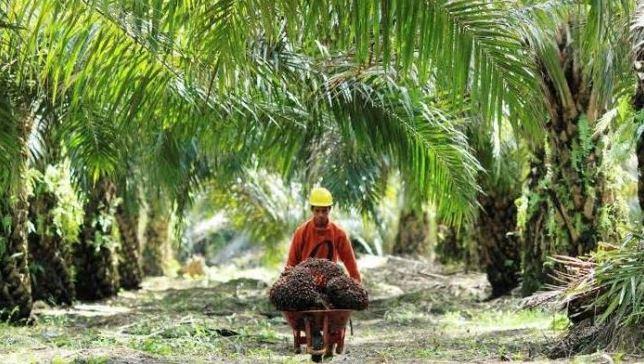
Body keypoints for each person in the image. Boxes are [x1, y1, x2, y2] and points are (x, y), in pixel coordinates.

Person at [286, 187, 361, 283]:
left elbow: (350, 261)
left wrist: (357, 283)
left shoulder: (338, 233)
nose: (321, 215)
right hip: (305, 283)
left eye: (324, 211)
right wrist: (287, 281)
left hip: (330, 282)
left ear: (329, 209)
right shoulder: (301, 232)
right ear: (312, 210)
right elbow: (292, 261)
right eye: (317, 211)